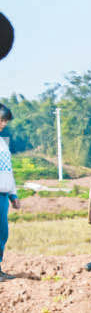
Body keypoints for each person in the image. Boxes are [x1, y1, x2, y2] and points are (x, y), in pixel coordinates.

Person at [0, 103, 20, 280]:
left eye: (5, 121)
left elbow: (8, 171)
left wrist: (14, 194)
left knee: (2, 233)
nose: (3, 123)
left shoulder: (2, 144)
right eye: (1, 120)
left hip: (3, 195)